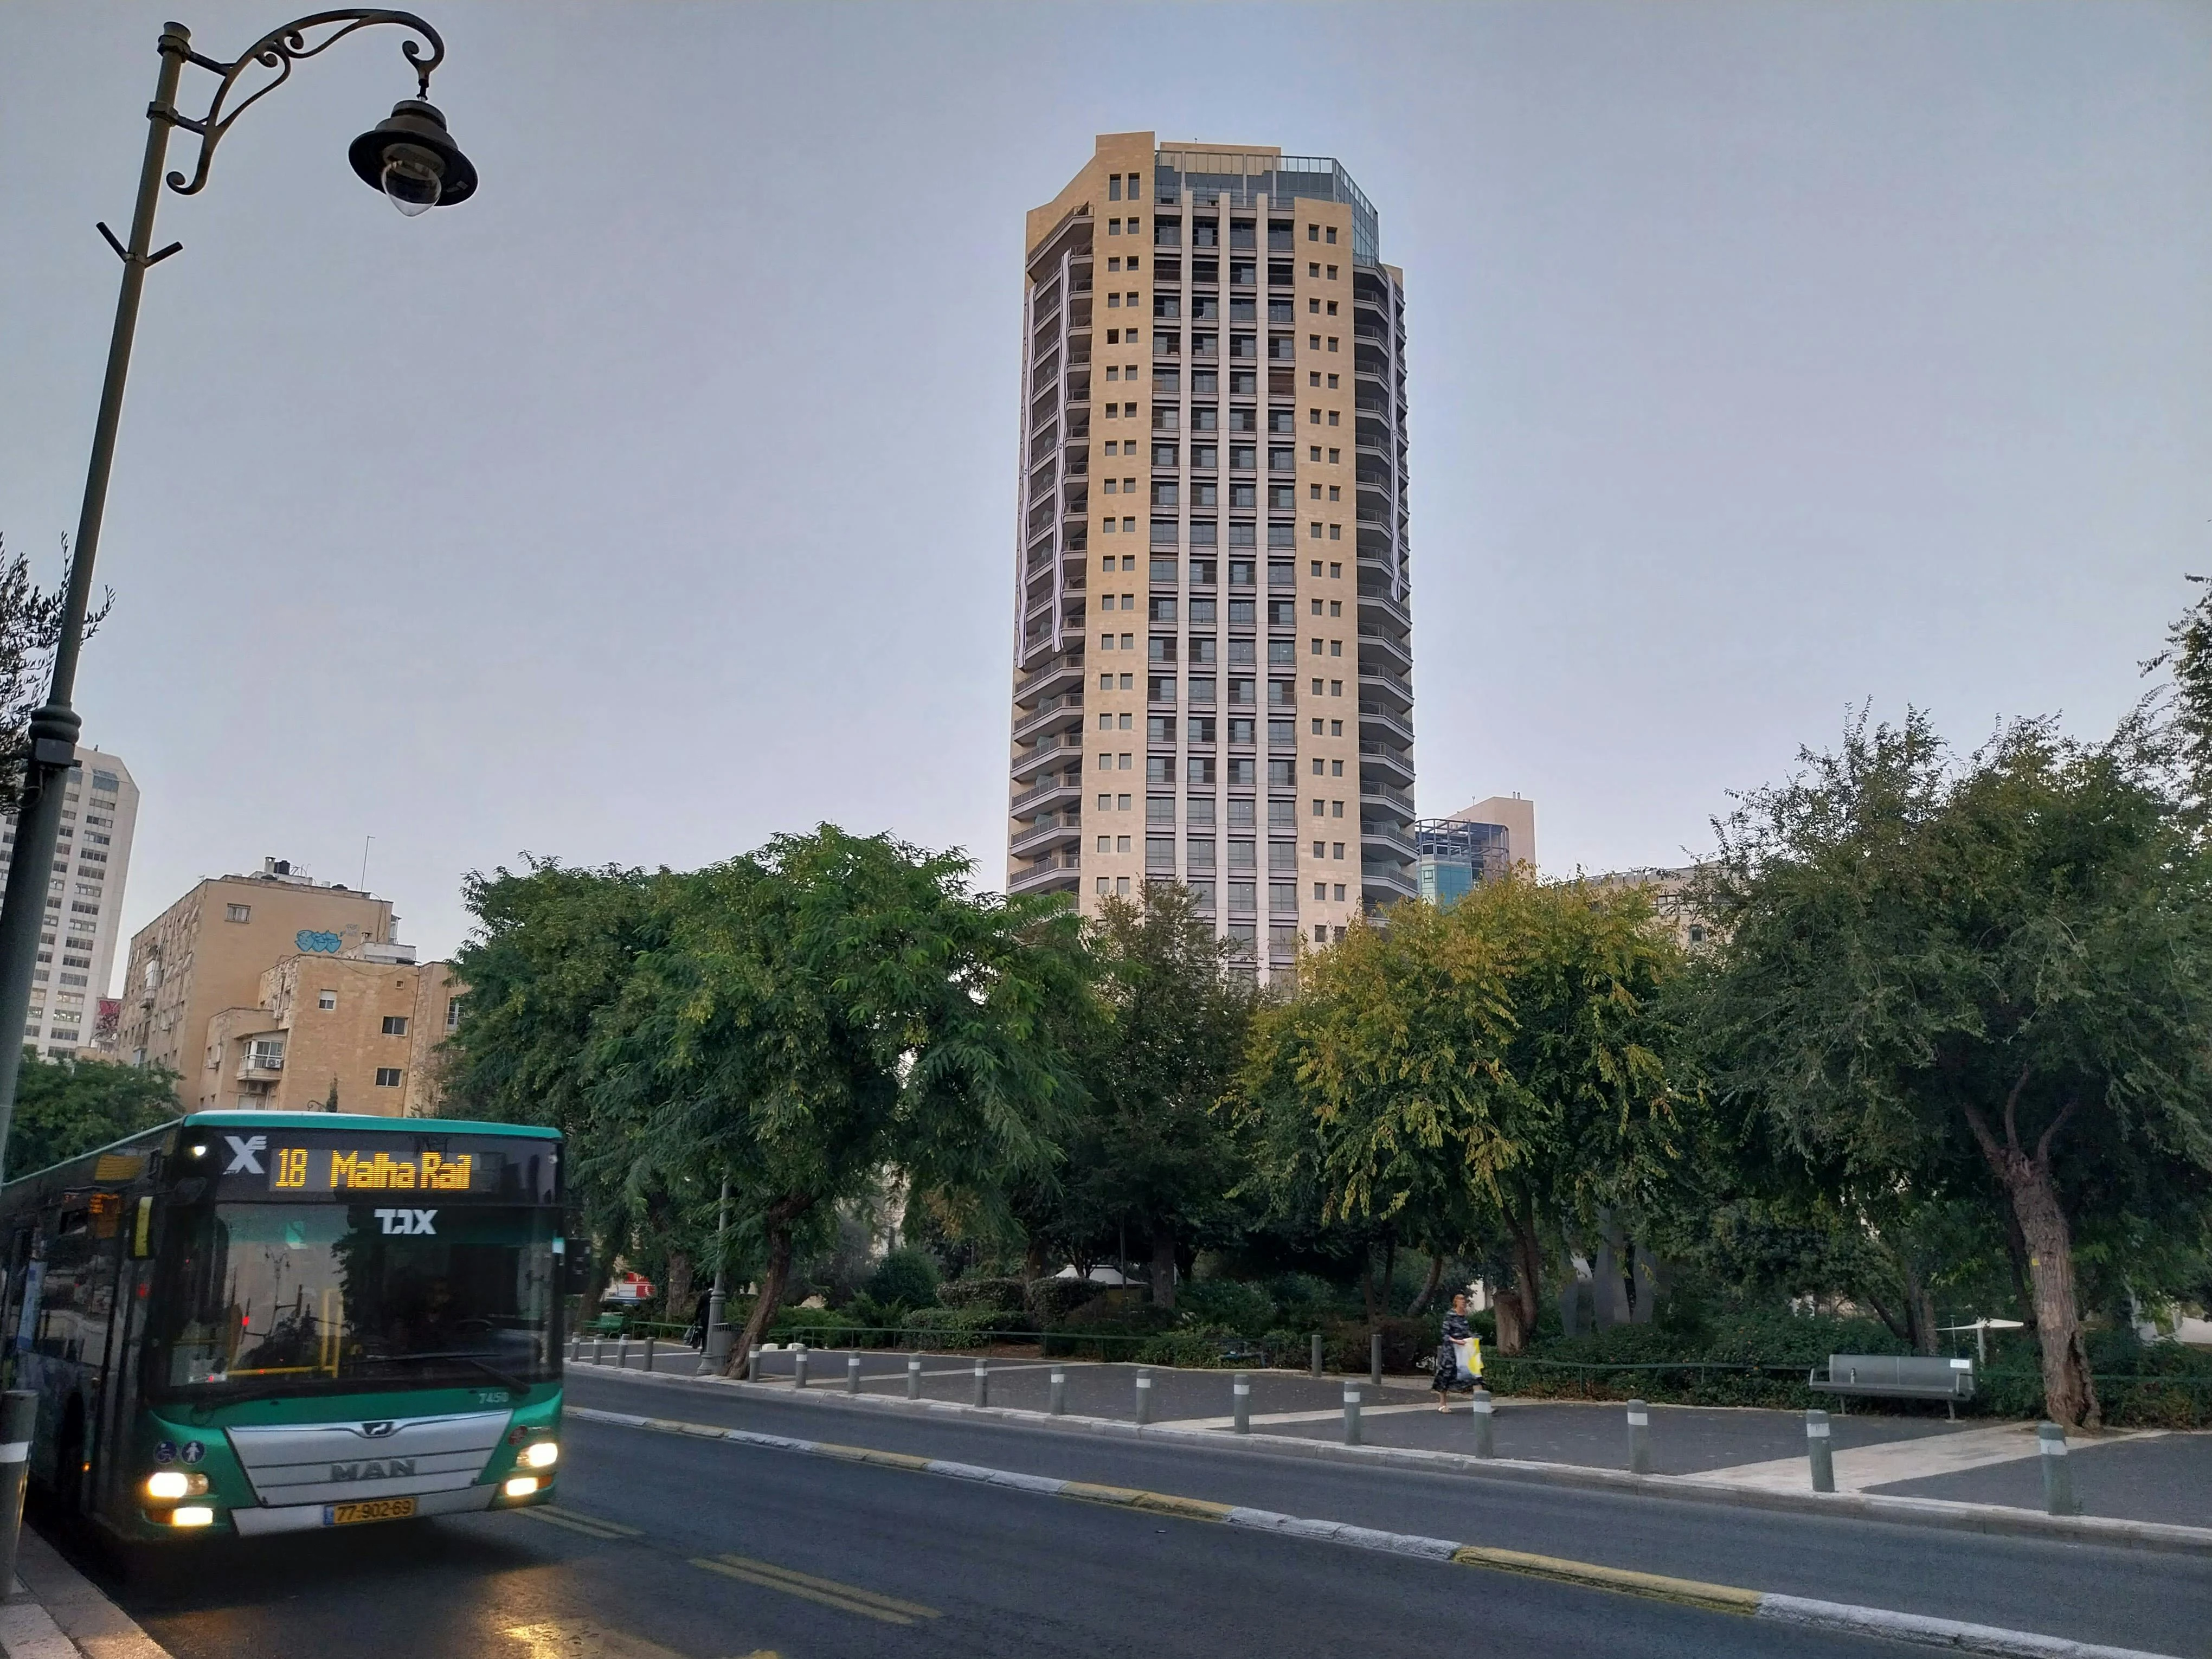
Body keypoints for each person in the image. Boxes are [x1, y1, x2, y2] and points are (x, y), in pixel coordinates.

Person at [1433, 1291, 1477, 1410]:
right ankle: (1443, 1404)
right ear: (1456, 1302)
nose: (1464, 1302)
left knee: (1476, 1373)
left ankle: (1481, 1405)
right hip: (1451, 1350)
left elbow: (1466, 1331)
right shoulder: (1450, 1315)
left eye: (1465, 1299)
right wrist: (1456, 1341)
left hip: (1464, 1348)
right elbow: (1445, 1334)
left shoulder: (1464, 1315)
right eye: (1461, 1299)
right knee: (1446, 1374)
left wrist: (1473, 1337)